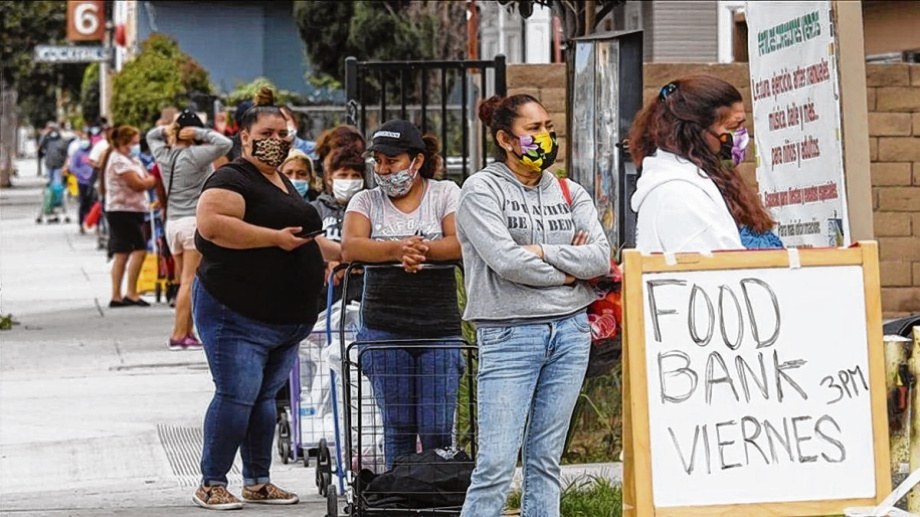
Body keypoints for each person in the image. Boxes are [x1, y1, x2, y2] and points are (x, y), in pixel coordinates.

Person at [455, 94, 610, 517]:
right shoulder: (480, 191)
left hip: (570, 332)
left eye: (548, 126)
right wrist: (567, 271)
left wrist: (540, 249)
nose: (546, 136)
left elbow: (600, 256)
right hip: (509, 334)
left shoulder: (569, 191)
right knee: (495, 464)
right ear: (505, 138)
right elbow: (506, 261)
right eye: (534, 129)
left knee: (545, 461)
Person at [192, 87, 324, 510]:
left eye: (285, 133)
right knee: (236, 394)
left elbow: (306, 240)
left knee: (264, 400)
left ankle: (258, 480)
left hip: (284, 318)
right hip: (236, 312)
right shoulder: (231, 178)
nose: (279, 140)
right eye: (268, 132)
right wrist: (273, 240)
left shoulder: (282, 179)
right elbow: (212, 225)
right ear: (244, 135)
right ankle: (211, 481)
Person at [341, 120, 463, 471]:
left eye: (391, 161)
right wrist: (399, 250)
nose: (383, 170)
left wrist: (416, 251)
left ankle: (436, 489)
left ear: (417, 161)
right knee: (398, 424)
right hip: (384, 329)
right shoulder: (366, 201)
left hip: (438, 329)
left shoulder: (445, 194)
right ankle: (402, 494)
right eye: (377, 161)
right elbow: (351, 247)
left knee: (438, 426)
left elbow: (458, 243)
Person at [628, 75, 777, 253]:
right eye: (732, 127)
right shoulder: (679, 194)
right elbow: (723, 269)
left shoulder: (692, 183)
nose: (740, 135)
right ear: (695, 131)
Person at [148, 109, 233, 351]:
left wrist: (166, 129)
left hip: (172, 225)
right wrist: (200, 131)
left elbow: (150, 137)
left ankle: (187, 330)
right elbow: (225, 143)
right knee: (189, 282)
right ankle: (178, 334)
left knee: (180, 281)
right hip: (191, 224)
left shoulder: (164, 155)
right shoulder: (196, 155)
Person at [99, 125, 157, 308]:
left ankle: (121, 293)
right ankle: (128, 293)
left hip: (133, 210)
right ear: (124, 141)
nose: (136, 144)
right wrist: (153, 180)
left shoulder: (131, 160)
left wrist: (148, 180)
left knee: (123, 252)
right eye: (134, 141)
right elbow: (138, 184)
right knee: (134, 250)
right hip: (122, 211)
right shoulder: (119, 161)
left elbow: (144, 178)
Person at [311, 144, 366, 310]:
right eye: (343, 175)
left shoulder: (370, 211)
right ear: (329, 178)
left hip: (360, 294)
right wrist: (325, 264)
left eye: (355, 175)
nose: (349, 180)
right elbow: (306, 243)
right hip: (324, 296)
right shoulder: (315, 210)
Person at [66, 138, 95, 234]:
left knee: (93, 202)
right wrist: (81, 174)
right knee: (83, 202)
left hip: (92, 181)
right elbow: (72, 167)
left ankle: (93, 223)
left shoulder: (93, 152)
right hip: (82, 181)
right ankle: (81, 224)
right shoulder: (77, 153)